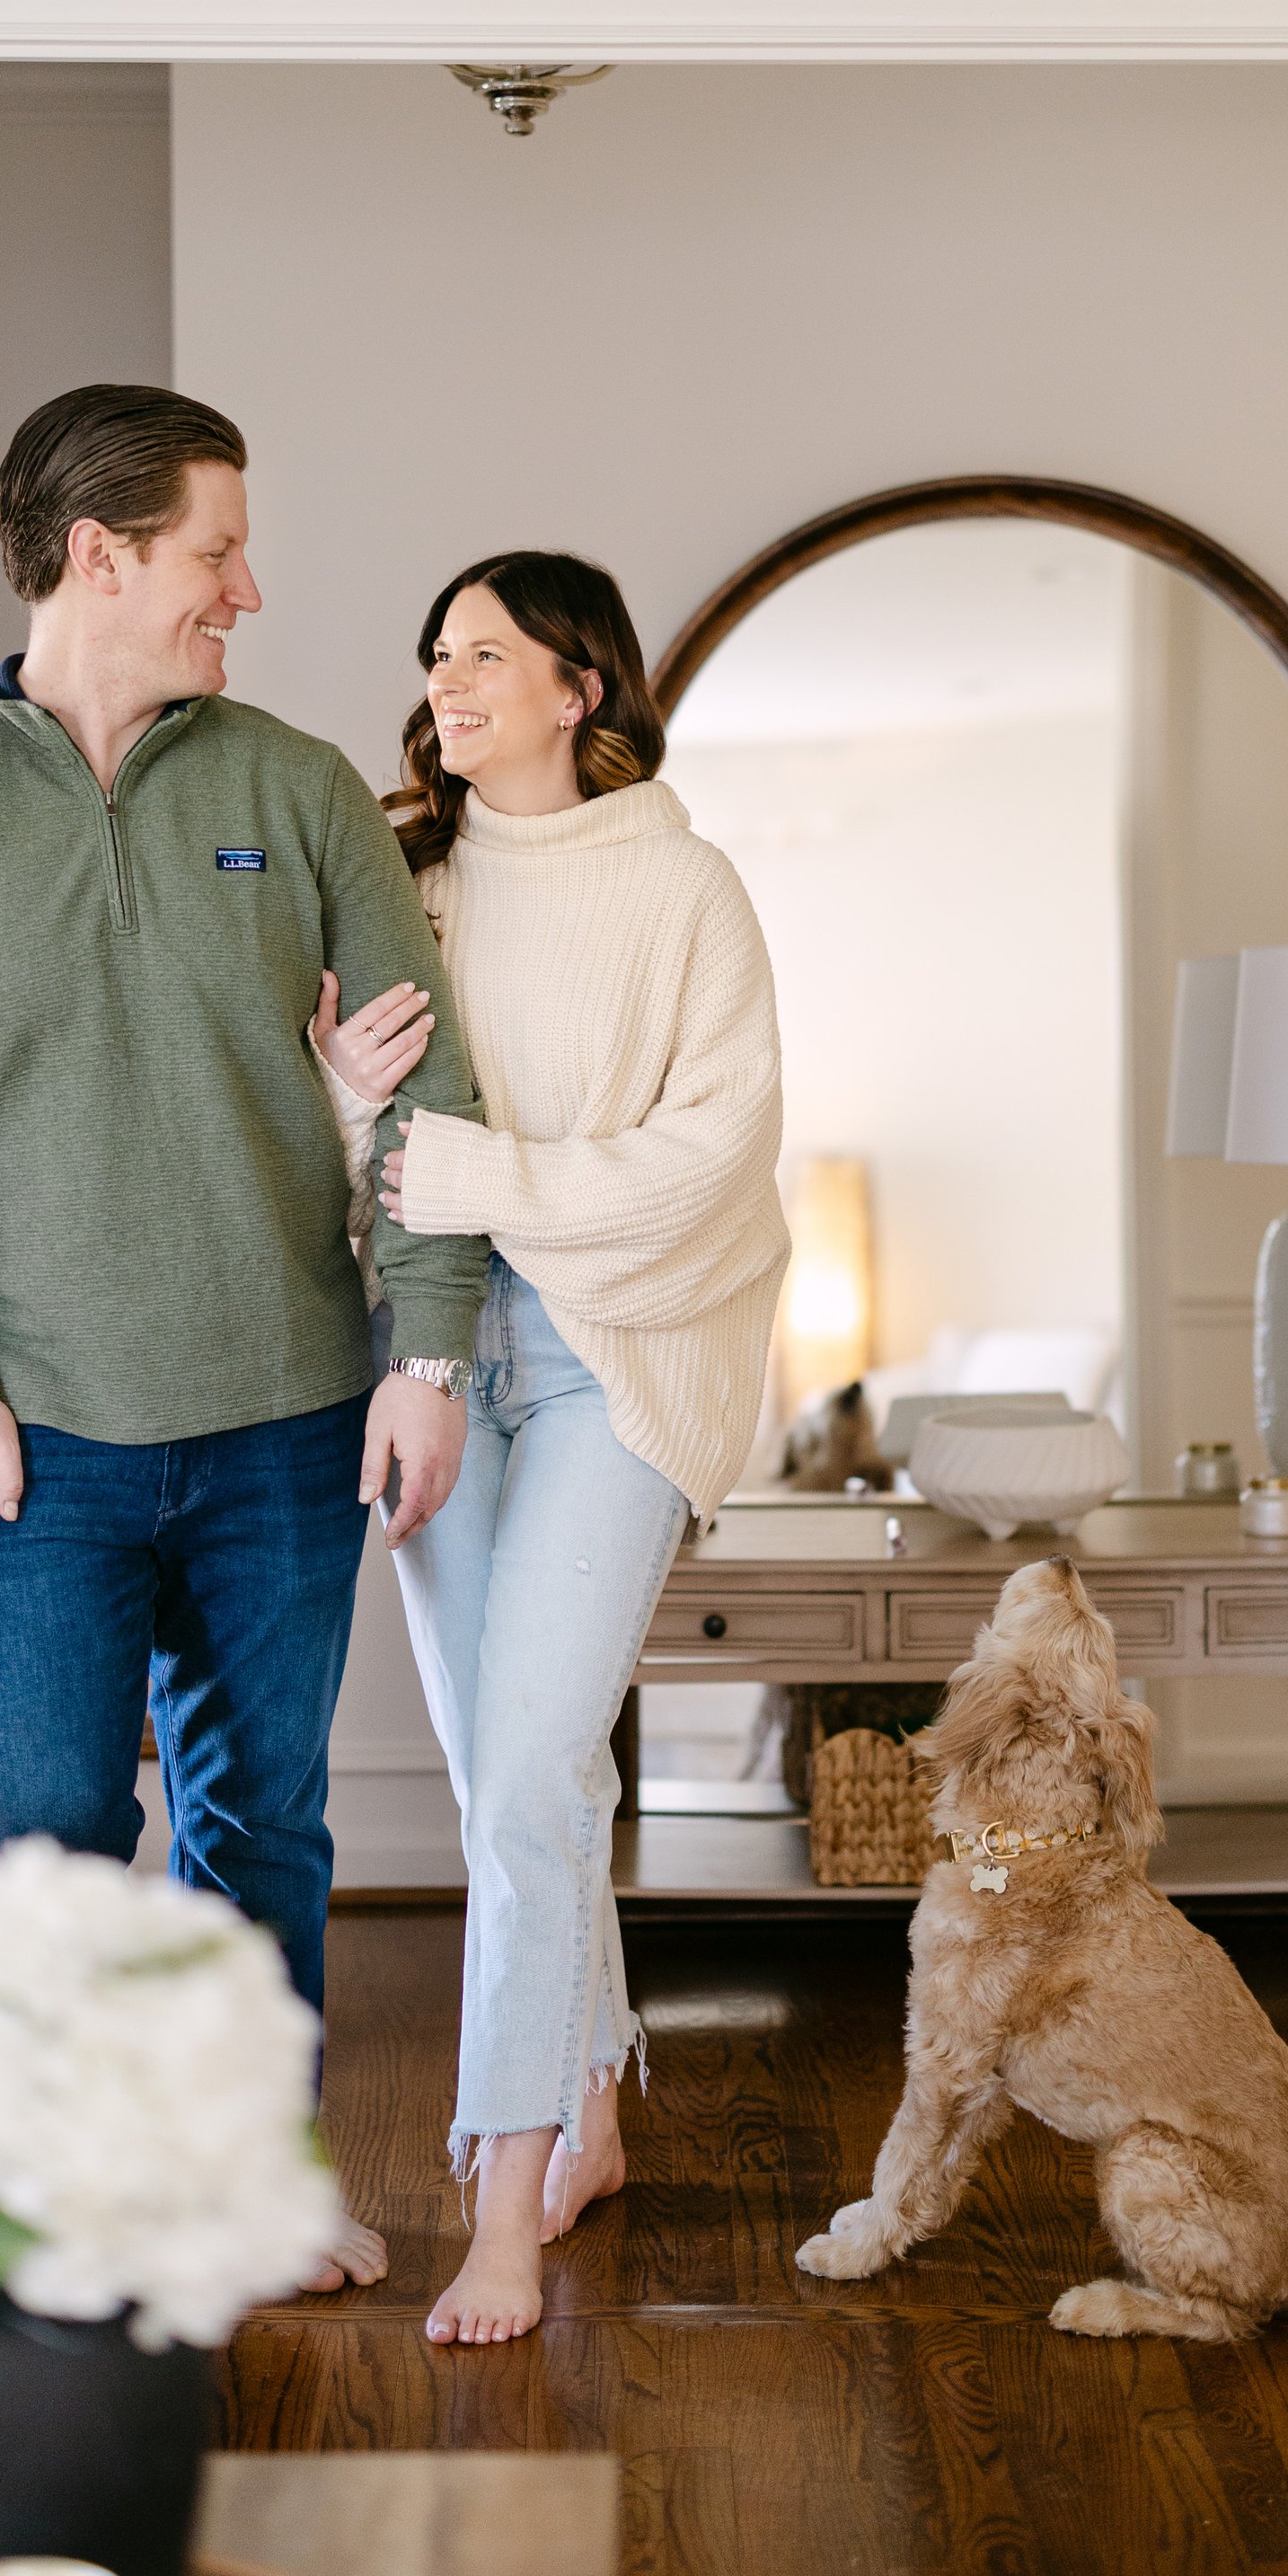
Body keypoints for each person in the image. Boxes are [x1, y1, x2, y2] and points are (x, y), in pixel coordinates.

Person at [0, 383, 490, 2290]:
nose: (248, 585)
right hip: (35, 1433)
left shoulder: (292, 787)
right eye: (216, 548)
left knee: (260, 1830)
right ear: (101, 554)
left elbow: (429, 1087)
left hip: (286, 1419)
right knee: (49, 1829)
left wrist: (431, 1352)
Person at [315, 550, 789, 2345]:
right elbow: (342, 1145)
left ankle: (497, 2212)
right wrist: (355, 1103)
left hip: (616, 1366)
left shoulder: (681, 888)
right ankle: (589, 2106)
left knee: (520, 1786)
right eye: (435, 652)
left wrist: (478, 1177)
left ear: (577, 687)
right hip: (430, 1362)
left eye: (486, 653)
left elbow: (710, 1157)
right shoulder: (403, 880)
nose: (448, 679)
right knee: (524, 1783)